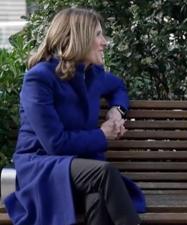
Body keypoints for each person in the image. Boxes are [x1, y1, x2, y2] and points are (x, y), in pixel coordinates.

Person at [3, 7, 146, 225]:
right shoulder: (39, 79)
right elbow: (55, 144)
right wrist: (102, 134)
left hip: (82, 171)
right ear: (79, 37)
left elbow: (118, 87)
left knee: (99, 197)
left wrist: (118, 110)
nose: (104, 42)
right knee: (104, 174)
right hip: (42, 168)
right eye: (98, 35)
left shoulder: (92, 75)